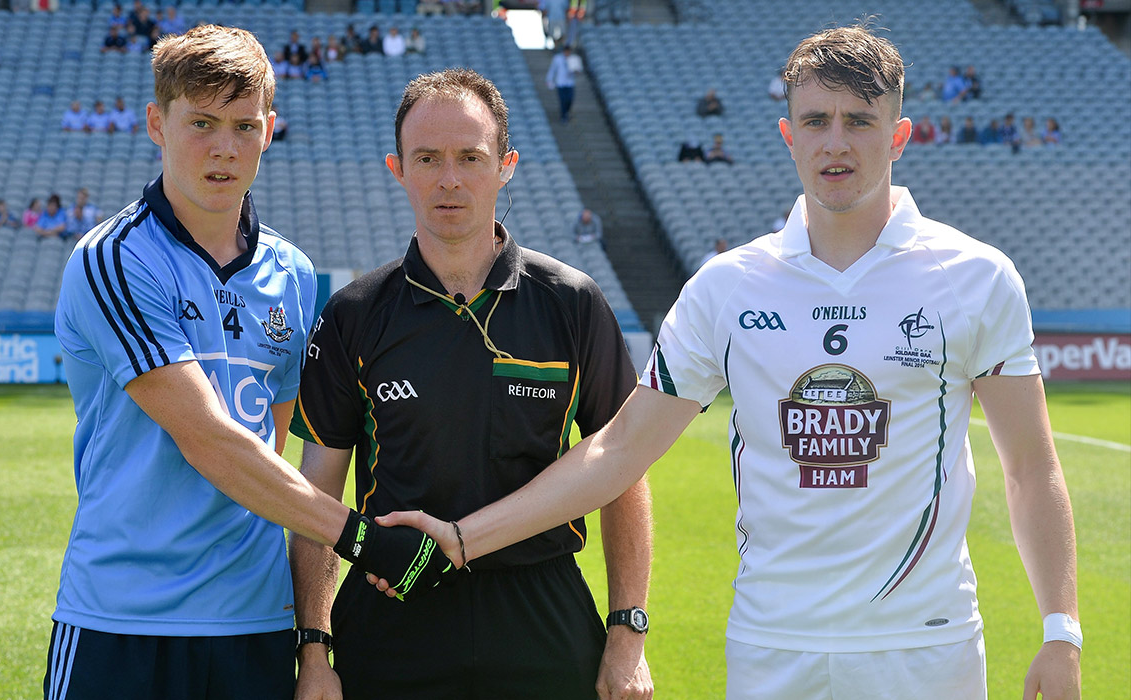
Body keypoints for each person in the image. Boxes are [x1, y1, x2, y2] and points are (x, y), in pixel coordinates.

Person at [377, 25, 1082, 700]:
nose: (836, 143)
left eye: (859, 121)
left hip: (926, 647)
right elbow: (619, 449)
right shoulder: (728, 287)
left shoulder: (976, 277)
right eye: (815, 121)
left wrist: (1061, 629)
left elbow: (1031, 468)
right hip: (773, 648)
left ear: (898, 134)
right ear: (788, 135)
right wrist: (466, 539)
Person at [42, 25, 452, 700]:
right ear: (156, 122)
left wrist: (313, 640)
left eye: (243, 125)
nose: (224, 148)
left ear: (270, 129)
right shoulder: (113, 259)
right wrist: (364, 540)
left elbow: (275, 455)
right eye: (200, 122)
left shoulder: (289, 271)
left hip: (254, 623)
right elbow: (211, 441)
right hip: (122, 619)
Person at [288, 68, 652, 700]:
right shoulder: (352, 315)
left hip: (540, 606)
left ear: (506, 164)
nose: (449, 179)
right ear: (396, 168)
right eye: (426, 158)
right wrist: (315, 649)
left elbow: (623, 471)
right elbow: (315, 498)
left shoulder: (571, 303)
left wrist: (626, 635)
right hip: (390, 607)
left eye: (470, 157)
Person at [545, 45, 578, 123]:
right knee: (563, 100)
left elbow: (577, 70)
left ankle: (567, 112)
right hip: (560, 83)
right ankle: (563, 116)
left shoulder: (573, 59)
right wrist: (549, 79)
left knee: (569, 99)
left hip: (570, 83)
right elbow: (553, 69)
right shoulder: (557, 58)